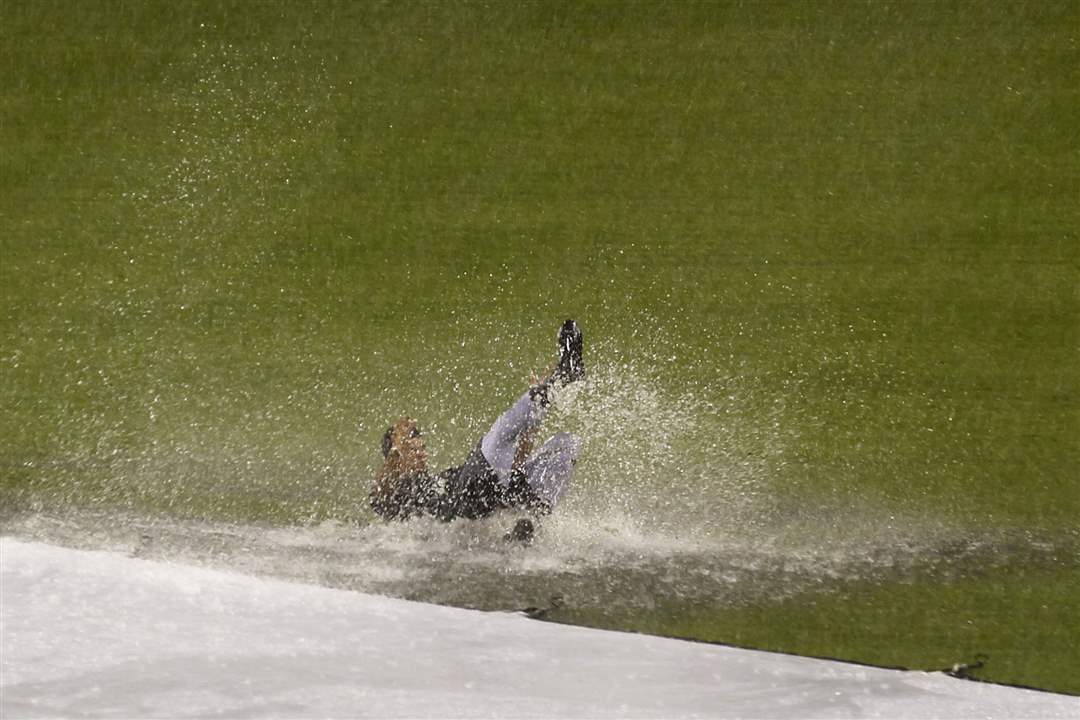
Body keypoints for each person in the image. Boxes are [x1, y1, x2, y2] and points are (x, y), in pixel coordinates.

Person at [370, 320, 585, 527]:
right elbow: (378, 496)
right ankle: (561, 377)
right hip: (476, 487)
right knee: (502, 434)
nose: (418, 443)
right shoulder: (399, 495)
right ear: (395, 454)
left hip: (491, 488)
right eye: (410, 439)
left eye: (417, 437)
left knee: (567, 443)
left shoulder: (442, 478)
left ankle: (534, 520)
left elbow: (514, 463)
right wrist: (396, 450)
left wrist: (534, 414)